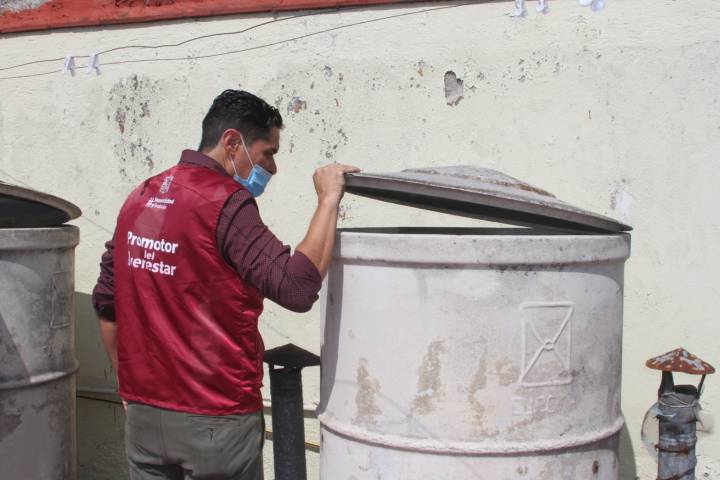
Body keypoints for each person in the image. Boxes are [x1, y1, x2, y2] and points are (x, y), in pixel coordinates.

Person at [92, 89, 359, 480]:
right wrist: (327, 201)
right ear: (232, 142)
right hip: (216, 418)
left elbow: (106, 305)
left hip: (145, 419)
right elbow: (296, 287)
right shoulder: (224, 201)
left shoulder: (141, 196)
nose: (272, 168)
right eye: (268, 153)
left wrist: (129, 388)